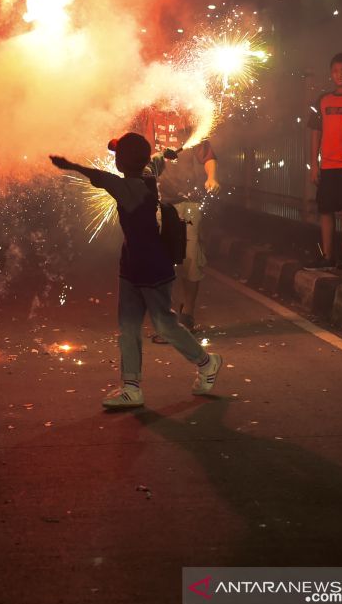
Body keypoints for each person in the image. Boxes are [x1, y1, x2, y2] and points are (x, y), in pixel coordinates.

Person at [50, 134, 224, 409]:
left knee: (165, 325)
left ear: (123, 163)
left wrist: (70, 165)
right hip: (132, 264)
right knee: (128, 326)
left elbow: (100, 177)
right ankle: (131, 388)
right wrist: (166, 155)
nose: (114, 160)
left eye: (117, 156)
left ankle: (206, 362)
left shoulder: (128, 188)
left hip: (151, 267)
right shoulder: (147, 174)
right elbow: (156, 161)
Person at [139, 109, 219, 332]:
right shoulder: (149, 115)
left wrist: (212, 177)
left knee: (191, 259)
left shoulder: (190, 117)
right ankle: (164, 317)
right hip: (156, 200)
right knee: (157, 261)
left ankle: (188, 314)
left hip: (187, 201)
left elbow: (208, 156)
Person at [308, 52, 342, 270]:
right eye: (336, 71)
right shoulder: (323, 100)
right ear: (331, 74)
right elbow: (315, 133)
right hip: (327, 164)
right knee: (326, 211)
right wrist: (314, 164)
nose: (340, 75)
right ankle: (327, 256)